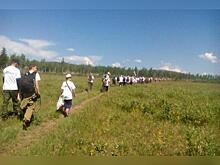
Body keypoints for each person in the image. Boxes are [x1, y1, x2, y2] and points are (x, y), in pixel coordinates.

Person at [20, 64, 41, 130]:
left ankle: (23, 113)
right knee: (31, 106)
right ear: (33, 68)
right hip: (31, 93)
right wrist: (38, 92)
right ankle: (26, 120)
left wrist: (19, 94)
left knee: (24, 105)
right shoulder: (36, 74)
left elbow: (20, 84)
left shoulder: (24, 74)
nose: (37, 69)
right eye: (36, 68)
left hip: (24, 93)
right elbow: (36, 84)